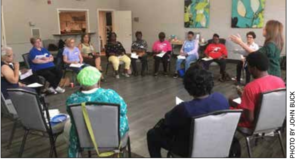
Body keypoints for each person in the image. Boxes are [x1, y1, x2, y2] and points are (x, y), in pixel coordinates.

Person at [147, 64, 229, 158]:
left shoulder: (184, 108)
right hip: (217, 144)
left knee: (152, 134)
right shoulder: (221, 98)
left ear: (187, 87)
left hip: (187, 150)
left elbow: (168, 121)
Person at [66, 66, 129, 157]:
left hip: (84, 137)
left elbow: (73, 119)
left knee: (68, 125)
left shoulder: (72, 99)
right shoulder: (110, 95)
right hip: (111, 136)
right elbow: (123, 110)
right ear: (98, 80)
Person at [229, 52, 285, 129]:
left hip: (255, 124)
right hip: (275, 120)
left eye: (248, 66)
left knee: (229, 103)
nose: (248, 69)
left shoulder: (250, 87)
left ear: (254, 68)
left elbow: (250, 118)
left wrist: (237, 104)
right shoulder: (279, 80)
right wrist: (244, 96)